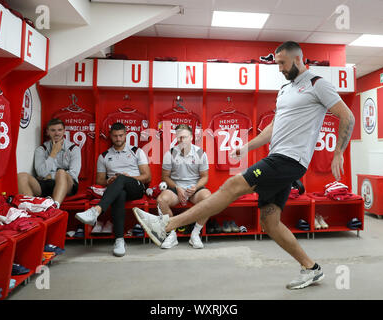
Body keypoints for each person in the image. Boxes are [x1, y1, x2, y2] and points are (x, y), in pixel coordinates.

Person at [132, 41, 355, 290]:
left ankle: (166, 225)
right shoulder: (285, 89)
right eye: (277, 63)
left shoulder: (317, 83)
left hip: (289, 159)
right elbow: (274, 128)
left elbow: (347, 115)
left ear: (298, 58)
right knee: (270, 223)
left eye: (282, 63)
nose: (279, 68)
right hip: (279, 157)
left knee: (233, 184)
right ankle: (310, 268)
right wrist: (247, 147)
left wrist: (339, 152)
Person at [75, 122, 151, 257]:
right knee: (120, 193)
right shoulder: (104, 156)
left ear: (126, 135)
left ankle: (96, 211)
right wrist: (107, 181)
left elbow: (147, 177)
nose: (118, 138)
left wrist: (130, 177)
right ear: (110, 136)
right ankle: (119, 240)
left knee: (121, 178)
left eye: (121, 135)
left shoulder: (136, 151)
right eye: (115, 136)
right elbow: (99, 181)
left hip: (136, 187)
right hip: (116, 189)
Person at [158, 124, 211, 249]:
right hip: (176, 188)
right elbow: (165, 177)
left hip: (194, 189)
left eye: (184, 137)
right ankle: (171, 234)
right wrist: (177, 188)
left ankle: (195, 234)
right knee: (161, 200)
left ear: (191, 137)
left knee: (209, 199)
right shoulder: (170, 153)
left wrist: (195, 187)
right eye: (179, 138)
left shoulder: (200, 153)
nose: (182, 140)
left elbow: (204, 176)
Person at [17, 118, 81, 208]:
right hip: (47, 184)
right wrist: (53, 153)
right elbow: (41, 173)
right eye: (53, 130)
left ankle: (54, 207)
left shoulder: (74, 149)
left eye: (59, 130)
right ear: (48, 132)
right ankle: (32, 210)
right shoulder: (41, 149)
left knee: (61, 172)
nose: (57, 133)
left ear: (64, 131)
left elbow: (74, 174)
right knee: (21, 176)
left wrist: (51, 175)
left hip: (68, 185)